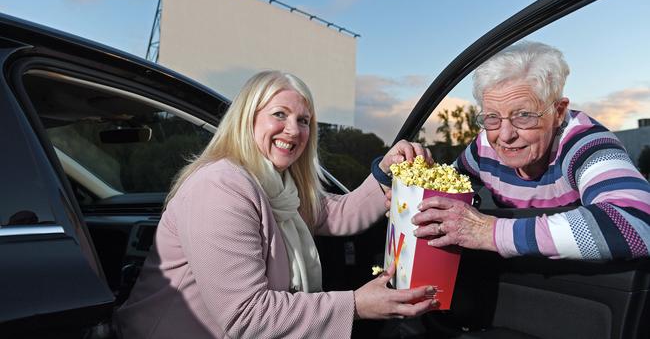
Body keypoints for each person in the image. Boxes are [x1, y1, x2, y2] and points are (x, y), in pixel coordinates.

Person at [116, 70, 437, 338]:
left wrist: (386, 172)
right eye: (279, 115)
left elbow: (338, 214)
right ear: (247, 119)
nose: (294, 130)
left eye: (304, 120)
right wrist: (356, 305)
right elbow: (246, 316)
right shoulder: (219, 188)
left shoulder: (278, 183)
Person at [408, 41, 650, 260]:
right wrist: (403, 180)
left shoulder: (585, 144)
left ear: (558, 112)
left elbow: (638, 223)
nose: (504, 136)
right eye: (492, 117)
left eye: (523, 116)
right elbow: (442, 194)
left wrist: (489, 232)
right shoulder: (483, 148)